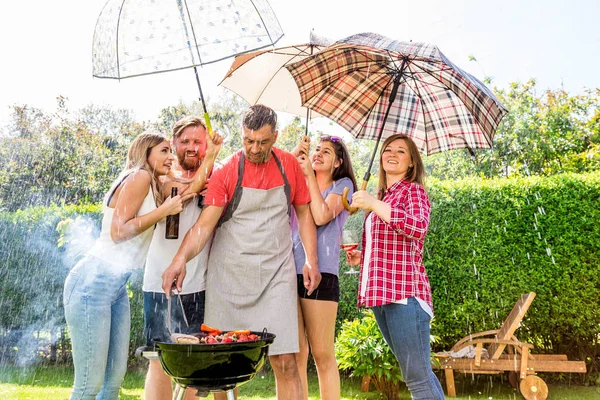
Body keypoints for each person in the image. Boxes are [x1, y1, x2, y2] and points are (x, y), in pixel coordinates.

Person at [161, 104, 321, 400]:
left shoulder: (289, 167)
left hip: (276, 274)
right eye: (249, 140)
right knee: (222, 365)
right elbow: (204, 225)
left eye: (262, 141)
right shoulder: (228, 171)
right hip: (229, 275)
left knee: (285, 361)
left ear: (276, 135)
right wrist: (179, 260)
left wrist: (311, 259)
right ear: (242, 134)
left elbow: (305, 215)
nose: (255, 148)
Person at [63, 133, 193, 400]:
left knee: (112, 382)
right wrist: (164, 211)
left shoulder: (154, 183)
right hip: (93, 283)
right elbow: (118, 232)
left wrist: (213, 153)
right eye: (164, 150)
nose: (171, 157)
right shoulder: (139, 176)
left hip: (115, 287)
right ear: (146, 153)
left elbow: (192, 187)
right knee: (89, 384)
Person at [346, 134, 445, 400]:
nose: (392, 153)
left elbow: (417, 227)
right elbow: (390, 245)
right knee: (420, 374)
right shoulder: (384, 195)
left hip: (404, 296)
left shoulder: (412, 191)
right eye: (387, 149)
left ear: (412, 162)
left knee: (417, 379)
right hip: (382, 295)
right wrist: (363, 256)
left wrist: (374, 204)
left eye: (401, 151)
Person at [142, 117, 222, 400]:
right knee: (158, 358)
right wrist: (209, 161)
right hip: (158, 282)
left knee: (192, 362)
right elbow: (183, 193)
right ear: (173, 143)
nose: (191, 147)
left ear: (205, 143)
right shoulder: (160, 176)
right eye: (185, 141)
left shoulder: (217, 176)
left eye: (198, 142)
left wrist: (210, 170)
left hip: (197, 283)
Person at [291, 135, 357, 400]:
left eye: (326, 152)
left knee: (322, 354)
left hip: (322, 274)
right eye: (316, 149)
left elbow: (320, 216)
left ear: (338, 162)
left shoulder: (343, 185)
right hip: (287, 271)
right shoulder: (297, 182)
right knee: (295, 352)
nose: (317, 154)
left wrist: (308, 176)